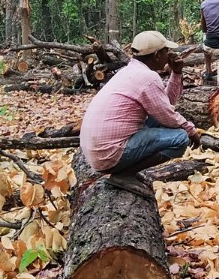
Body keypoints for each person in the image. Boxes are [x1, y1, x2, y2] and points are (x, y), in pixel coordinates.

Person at [80, 30, 201, 197]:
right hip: (108, 154)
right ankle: (123, 175)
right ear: (158, 55)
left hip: (98, 151)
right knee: (180, 139)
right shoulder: (147, 77)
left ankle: (126, 171)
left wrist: (176, 72)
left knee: (162, 122)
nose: (170, 54)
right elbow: (167, 115)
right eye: (166, 51)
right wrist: (191, 131)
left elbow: (165, 105)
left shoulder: (130, 72)